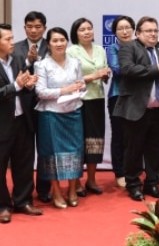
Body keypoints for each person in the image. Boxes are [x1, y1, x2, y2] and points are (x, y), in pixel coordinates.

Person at [113, 16, 159, 201]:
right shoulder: (129, 47)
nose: (153, 34)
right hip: (136, 109)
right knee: (133, 149)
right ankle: (134, 185)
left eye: (155, 31)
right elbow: (129, 70)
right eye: (148, 31)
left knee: (156, 149)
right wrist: (158, 67)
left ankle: (152, 183)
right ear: (138, 33)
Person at [34, 27, 85, 209]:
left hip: (74, 112)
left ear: (67, 42)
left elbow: (82, 85)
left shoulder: (75, 62)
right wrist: (65, 90)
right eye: (55, 41)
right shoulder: (41, 65)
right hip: (51, 114)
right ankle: (56, 191)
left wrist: (79, 87)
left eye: (62, 40)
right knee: (52, 154)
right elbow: (40, 92)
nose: (59, 44)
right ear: (48, 44)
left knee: (75, 151)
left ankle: (72, 189)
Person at [0, 23, 42, 223]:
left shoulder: (18, 59)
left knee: (24, 164)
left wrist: (28, 85)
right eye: (7, 39)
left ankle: (23, 200)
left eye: (11, 38)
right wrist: (17, 85)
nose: (12, 42)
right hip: (2, 124)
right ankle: (3, 206)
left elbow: (23, 87)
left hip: (22, 120)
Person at [67, 18, 111, 196]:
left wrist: (105, 75)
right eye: (82, 29)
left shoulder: (100, 49)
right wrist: (94, 76)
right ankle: (76, 181)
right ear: (75, 33)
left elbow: (104, 70)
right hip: (79, 100)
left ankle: (91, 180)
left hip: (97, 98)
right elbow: (69, 78)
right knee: (78, 140)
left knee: (95, 140)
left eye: (89, 29)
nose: (86, 32)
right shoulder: (71, 51)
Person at [12, 11, 51, 203]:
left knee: (45, 149)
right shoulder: (15, 48)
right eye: (29, 27)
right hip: (23, 108)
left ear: (44, 28)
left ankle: (44, 189)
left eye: (37, 27)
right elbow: (13, 76)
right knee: (25, 152)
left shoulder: (53, 46)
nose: (33, 31)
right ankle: (25, 191)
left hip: (47, 106)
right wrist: (29, 62)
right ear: (24, 27)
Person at [106, 15, 135, 188]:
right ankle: (120, 172)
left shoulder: (140, 46)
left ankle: (132, 170)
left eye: (127, 27)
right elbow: (118, 70)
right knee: (119, 135)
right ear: (115, 32)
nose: (124, 31)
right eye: (120, 29)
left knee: (134, 136)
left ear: (133, 29)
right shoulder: (113, 48)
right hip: (118, 96)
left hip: (137, 97)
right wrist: (139, 69)